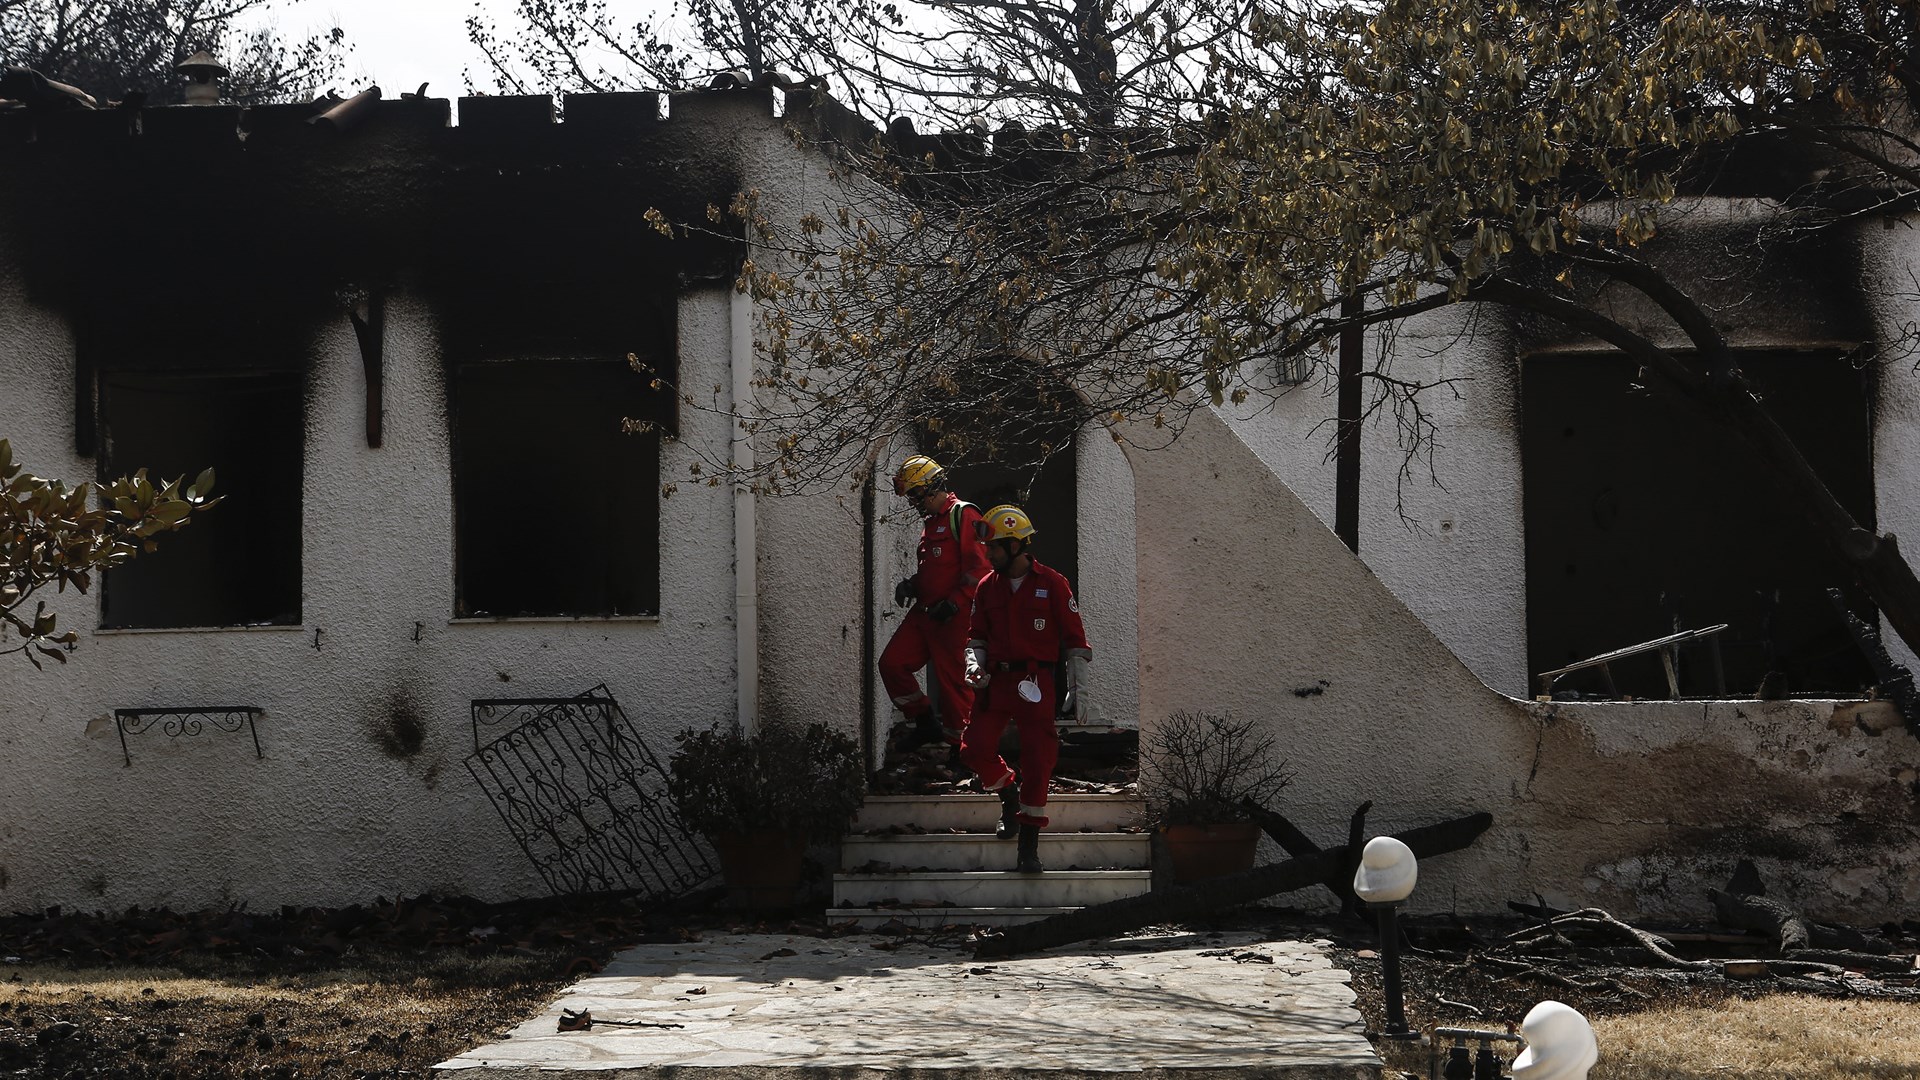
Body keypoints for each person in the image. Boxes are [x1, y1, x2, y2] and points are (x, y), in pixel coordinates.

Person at [960, 504, 1092, 873]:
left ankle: (1028, 848)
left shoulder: (1052, 583)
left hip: (1037, 681)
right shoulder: (987, 587)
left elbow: (1075, 640)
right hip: (997, 682)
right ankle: (1007, 795)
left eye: (996, 547)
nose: (988, 553)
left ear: (1016, 546)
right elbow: (977, 636)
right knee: (974, 750)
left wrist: (1079, 689)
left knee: (1039, 759)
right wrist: (974, 664)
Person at [878, 454, 991, 750]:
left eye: (915, 493)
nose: (914, 501)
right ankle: (925, 721)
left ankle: (963, 751)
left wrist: (955, 603)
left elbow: (980, 570)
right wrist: (912, 585)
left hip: (954, 618)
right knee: (892, 664)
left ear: (931, 486)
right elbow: (936, 571)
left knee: (956, 688)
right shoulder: (931, 524)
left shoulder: (964, 515)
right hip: (925, 614)